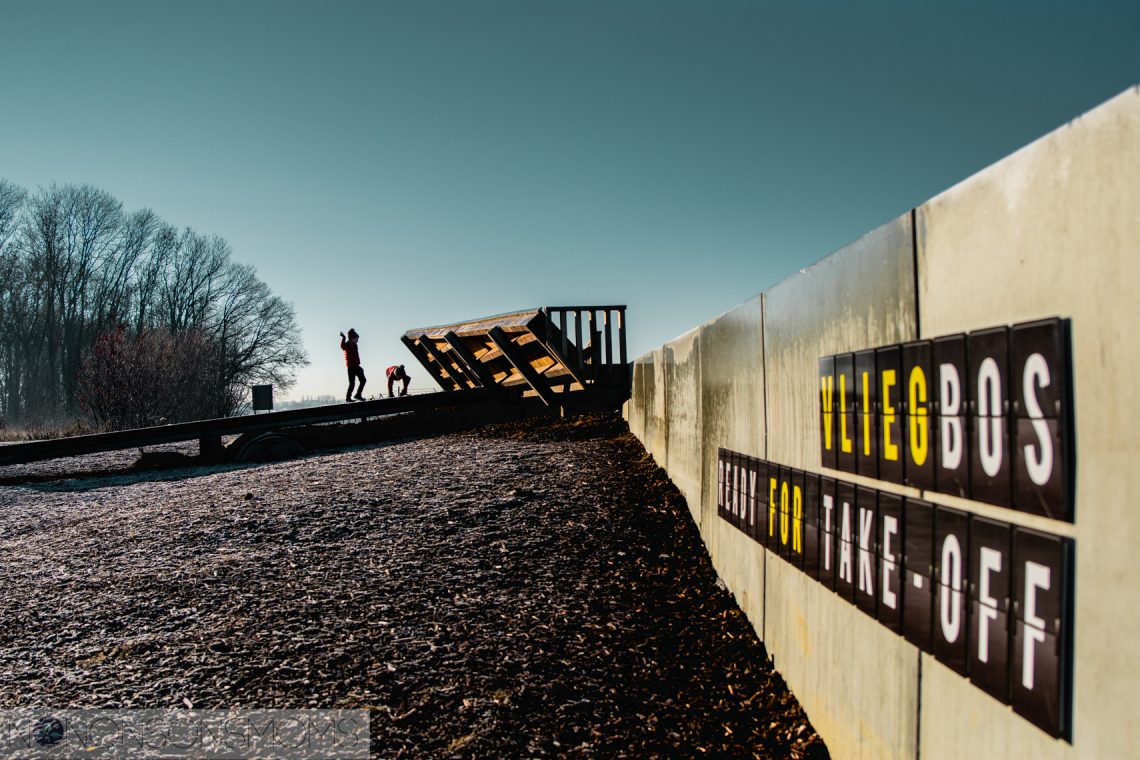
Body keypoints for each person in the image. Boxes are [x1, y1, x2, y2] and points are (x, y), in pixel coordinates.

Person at [340, 329, 366, 402]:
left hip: (356, 366)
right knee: (352, 384)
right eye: (356, 339)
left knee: (363, 380)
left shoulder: (355, 345)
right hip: (351, 367)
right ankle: (348, 398)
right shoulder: (347, 344)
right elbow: (342, 347)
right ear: (352, 338)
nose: (357, 340)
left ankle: (358, 394)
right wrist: (343, 338)